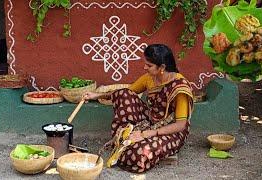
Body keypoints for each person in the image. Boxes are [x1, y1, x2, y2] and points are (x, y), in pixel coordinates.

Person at [82, 44, 194, 173]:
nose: (144, 67)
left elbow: (181, 125)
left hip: (172, 131)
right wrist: (97, 95)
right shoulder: (149, 78)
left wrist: (145, 134)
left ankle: (128, 146)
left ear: (162, 67)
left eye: (149, 65)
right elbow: (126, 92)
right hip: (151, 120)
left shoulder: (179, 87)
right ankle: (123, 139)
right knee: (124, 94)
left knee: (140, 153)